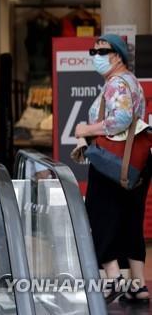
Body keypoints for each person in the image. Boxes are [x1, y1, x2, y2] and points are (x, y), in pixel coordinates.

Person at [75, 34, 150, 303]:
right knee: (130, 221)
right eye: (93, 50)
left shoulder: (116, 83)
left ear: (117, 56)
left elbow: (120, 119)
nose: (95, 54)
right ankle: (138, 285)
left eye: (101, 50)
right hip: (135, 162)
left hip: (112, 162)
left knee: (99, 215)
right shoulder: (131, 82)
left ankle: (114, 277)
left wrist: (87, 129)